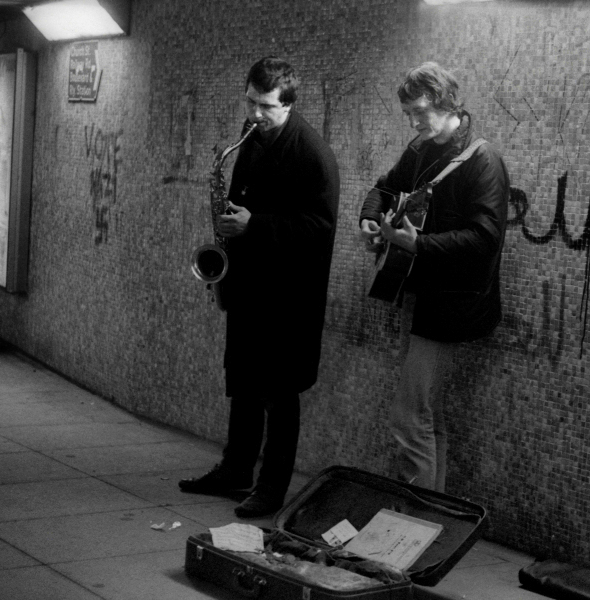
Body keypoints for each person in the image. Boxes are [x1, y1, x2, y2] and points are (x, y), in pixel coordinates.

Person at [180, 56, 340, 518]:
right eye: (250, 101)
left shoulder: (313, 154)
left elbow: (321, 226)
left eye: (265, 106)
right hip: (250, 283)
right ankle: (235, 469)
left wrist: (257, 224)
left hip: (288, 296)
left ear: (289, 103)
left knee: (279, 392)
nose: (254, 113)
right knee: (245, 380)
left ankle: (271, 487)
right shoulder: (252, 139)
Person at [359, 62, 508, 493]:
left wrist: (417, 245)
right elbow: (383, 189)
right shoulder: (421, 150)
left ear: (448, 103)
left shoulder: (483, 161)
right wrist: (371, 219)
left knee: (409, 418)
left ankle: (414, 526)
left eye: (420, 110)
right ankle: (428, 520)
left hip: (453, 306)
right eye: (408, 113)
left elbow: (485, 238)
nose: (414, 121)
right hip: (420, 296)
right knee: (427, 417)